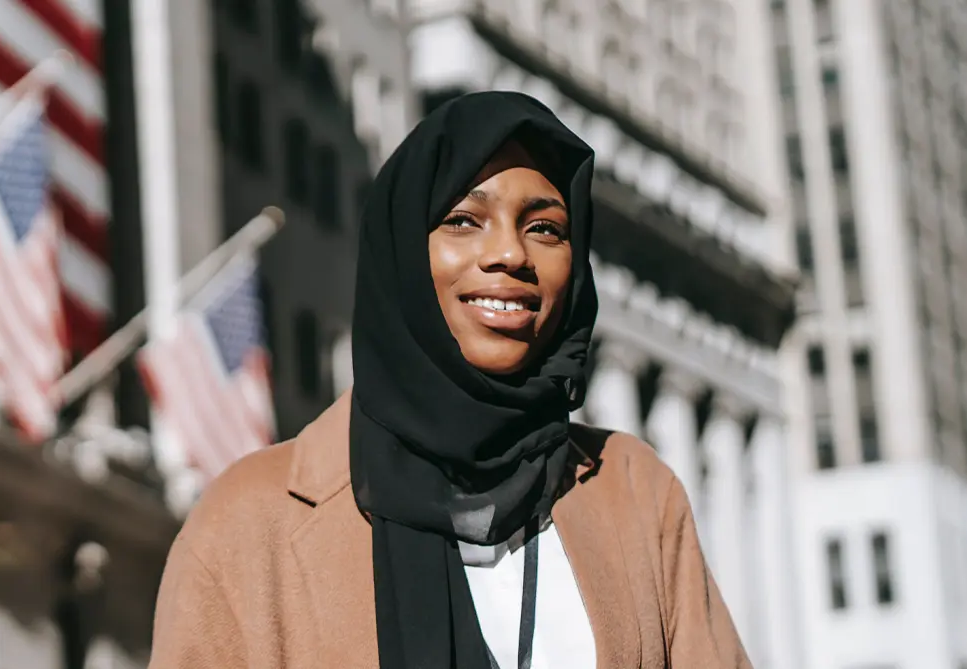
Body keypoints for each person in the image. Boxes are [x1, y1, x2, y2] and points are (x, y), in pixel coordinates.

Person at [149, 91, 749, 668]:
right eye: (464, 220)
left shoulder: (635, 492)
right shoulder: (250, 521)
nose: (511, 254)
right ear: (403, 252)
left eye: (545, 228)